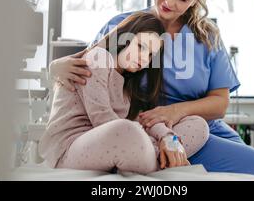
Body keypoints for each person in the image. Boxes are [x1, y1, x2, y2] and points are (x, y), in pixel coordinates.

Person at [50, 0, 254, 176]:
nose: (169, 2)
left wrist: (174, 112)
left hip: (195, 129)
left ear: (196, 0)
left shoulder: (207, 38)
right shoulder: (125, 25)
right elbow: (90, 65)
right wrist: (55, 67)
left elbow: (220, 103)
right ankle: (157, 156)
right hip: (141, 130)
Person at [39, 12, 209, 174]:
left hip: (118, 144)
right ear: (124, 38)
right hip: (69, 148)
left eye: (150, 55)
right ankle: (160, 159)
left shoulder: (128, 82)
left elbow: (144, 120)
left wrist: (168, 139)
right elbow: (102, 119)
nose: (143, 59)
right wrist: (147, 139)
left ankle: (160, 157)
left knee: (199, 124)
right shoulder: (99, 58)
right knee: (127, 129)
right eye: (140, 46)